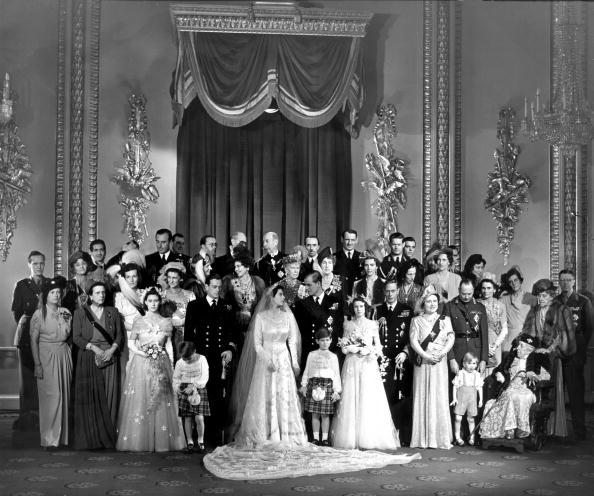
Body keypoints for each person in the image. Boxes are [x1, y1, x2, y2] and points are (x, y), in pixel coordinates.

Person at [229, 286, 306, 446]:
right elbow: (257, 344)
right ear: (271, 297)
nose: (283, 298)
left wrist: (294, 362)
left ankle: (286, 434)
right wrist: (267, 360)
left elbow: (292, 340)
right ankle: (267, 433)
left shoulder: (288, 317)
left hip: (283, 359)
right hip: (266, 361)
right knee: (266, 394)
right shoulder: (261, 317)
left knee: (283, 395)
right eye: (280, 294)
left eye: (284, 295)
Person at [116, 288, 185, 452]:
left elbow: (168, 346)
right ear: (145, 302)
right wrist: (142, 353)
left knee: (161, 398)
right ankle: (140, 439)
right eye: (150, 301)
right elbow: (131, 343)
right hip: (141, 363)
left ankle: (161, 440)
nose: (153, 304)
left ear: (159, 302)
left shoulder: (166, 321)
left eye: (156, 301)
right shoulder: (139, 321)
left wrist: (171, 364)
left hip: (162, 362)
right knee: (142, 398)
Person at [331, 297, 399, 450]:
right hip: (352, 364)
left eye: (361, 306)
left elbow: (379, 346)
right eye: (356, 306)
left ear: (366, 307)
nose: (359, 309)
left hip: (367, 364)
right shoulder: (347, 324)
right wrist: (350, 349)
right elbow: (343, 346)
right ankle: (350, 437)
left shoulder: (373, 324)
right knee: (352, 397)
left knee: (368, 397)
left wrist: (369, 350)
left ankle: (368, 436)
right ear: (352, 308)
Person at [184, 274, 236, 445]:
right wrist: (191, 357)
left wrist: (229, 348)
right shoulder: (195, 306)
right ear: (206, 287)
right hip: (201, 357)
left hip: (220, 359)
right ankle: (201, 438)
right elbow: (189, 334)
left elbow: (231, 332)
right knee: (201, 394)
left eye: (219, 287)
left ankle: (216, 436)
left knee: (218, 396)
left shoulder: (227, 306)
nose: (217, 290)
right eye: (214, 286)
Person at [72, 282, 124, 449]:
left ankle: (107, 437)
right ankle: (92, 438)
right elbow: (77, 337)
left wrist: (112, 350)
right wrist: (94, 348)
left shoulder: (112, 312)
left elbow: (119, 335)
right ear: (90, 295)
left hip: (110, 356)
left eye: (103, 292)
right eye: (97, 292)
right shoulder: (80, 313)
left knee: (110, 395)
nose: (101, 295)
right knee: (90, 397)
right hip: (88, 356)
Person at [523, 278, 575, 437]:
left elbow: (564, 335)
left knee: (553, 391)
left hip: (553, 357)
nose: (541, 299)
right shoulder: (534, 310)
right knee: (537, 390)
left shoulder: (561, 310)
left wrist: (550, 350)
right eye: (539, 296)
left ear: (552, 296)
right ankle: (539, 428)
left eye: (544, 295)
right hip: (537, 357)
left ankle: (554, 429)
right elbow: (529, 333)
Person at [480, 333, 550, 440]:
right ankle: (508, 430)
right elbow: (499, 370)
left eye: (521, 346)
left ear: (529, 349)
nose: (517, 348)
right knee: (501, 399)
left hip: (526, 389)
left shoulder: (536, 360)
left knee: (521, 397)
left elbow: (547, 376)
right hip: (509, 388)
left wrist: (535, 376)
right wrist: (499, 374)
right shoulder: (511, 357)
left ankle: (520, 430)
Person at [409, 287, 455, 449]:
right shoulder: (416, 320)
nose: (432, 303)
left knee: (439, 395)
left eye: (435, 301)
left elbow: (451, 337)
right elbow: (413, 341)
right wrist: (426, 355)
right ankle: (422, 438)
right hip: (423, 362)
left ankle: (439, 438)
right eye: (428, 301)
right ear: (423, 303)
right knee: (422, 395)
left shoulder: (445, 319)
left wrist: (442, 352)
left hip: (439, 362)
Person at [29, 277, 72, 449]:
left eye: (58, 293)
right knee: (51, 397)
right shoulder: (39, 314)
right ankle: (48, 439)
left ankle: (62, 439)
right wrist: (37, 364)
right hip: (46, 356)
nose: (56, 295)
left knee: (64, 396)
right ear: (45, 295)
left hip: (63, 355)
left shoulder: (66, 311)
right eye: (52, 292)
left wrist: (62, 318)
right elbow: (33, 341)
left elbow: (66, 335)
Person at [11, 250, 49, 430]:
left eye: (41, 263)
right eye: (35, 263)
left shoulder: (50, 283)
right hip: (26, 336)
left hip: (47, 337)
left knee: (45, 377)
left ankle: (44, 418)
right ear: (29, 265)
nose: (39, 266)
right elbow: (17, 313)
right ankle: (27, 418)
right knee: (27, 379)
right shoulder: (22, 285)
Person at [555, 269, 593, 440]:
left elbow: (589, 328)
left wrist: (579, 347)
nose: (565, 283)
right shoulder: (554, 301)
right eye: (562, 280)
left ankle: (579, 430)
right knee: (556, 392)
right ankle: (556, 430)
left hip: (575, 352)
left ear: (574, 281)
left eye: (568, 280)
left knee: (576, 393)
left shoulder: (583, 301)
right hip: (557, 352)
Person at [375, 280, 414, 446]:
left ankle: (401, 435)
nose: (390, 294)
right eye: (387, 291)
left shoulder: (407, 310)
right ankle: (385, 434)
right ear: (384, 291)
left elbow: (411, 336)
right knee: (385, 397)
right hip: (383, 361)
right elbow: (373, 335)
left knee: (401, 397)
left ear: (397, 291)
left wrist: (406, 352)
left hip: (401, 361)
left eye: (393, 291)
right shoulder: (377, 310)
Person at [294, 271, 345, 369]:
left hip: (330, 352)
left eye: (309, 285)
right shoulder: (302, 304)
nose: (306, 288)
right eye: (305, 285)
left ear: (318, 283)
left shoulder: (334, 301)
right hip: (310, 353)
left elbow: (339, 327)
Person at [300, 327, 341, 446]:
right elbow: (307, 371)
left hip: (327, 385)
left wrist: (336, 391)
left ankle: (325, 438)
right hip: (314, 385)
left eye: (327, 340)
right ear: (317, 341)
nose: (325, 343)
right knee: (315, 414)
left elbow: (336, 375)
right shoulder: (312, 354)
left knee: (325, 414)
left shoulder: (333, 356)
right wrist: (304, 385)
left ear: (331, 340)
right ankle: (316, 438)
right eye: (322, 340)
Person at [446, 279, 489, 376]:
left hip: (475, 352)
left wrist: (483, 360)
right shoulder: (450, 306)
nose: (466, 297)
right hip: (457, 352)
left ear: (473, 290)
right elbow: (446, 335)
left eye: (469, 294)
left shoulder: (480, 307)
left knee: (474, 386)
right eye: (463, 293)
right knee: (455, 385)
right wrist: (451, 358)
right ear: (458, 290)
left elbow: (484, 335)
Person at [173, 341, 210, 453]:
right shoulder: (180, 362)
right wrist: (177, 387)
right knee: (187, 418)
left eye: (189, 358)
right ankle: (189, 442)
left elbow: (204, 376)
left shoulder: (202, 359)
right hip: (185, 389)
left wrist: (194, 385)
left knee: (199, 417)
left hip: (198, 388)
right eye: (185, 359)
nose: (187, 361)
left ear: (194, 351)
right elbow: (176, 378)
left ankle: (200, 440)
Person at [221, 252, 266, 339]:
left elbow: (264, 303)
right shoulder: (230, 282)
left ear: (247, 267)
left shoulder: (258, 282)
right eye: (235, 267)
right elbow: (223, 302)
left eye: (239, 266)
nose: (236, 269)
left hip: (255, 325)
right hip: (236, 327)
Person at [161, 263, 196, 363]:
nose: (171, 281)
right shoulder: (162, 295)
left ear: (180, 278)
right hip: (167, 336)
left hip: (185, 334)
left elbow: (194, 316)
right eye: (169, 277)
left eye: (174, 278)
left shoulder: (189, 294)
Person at [499, 266, 536, 354]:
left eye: (516, 280)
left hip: (527, 340)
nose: (514, 283)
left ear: (520, 280)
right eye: (510, 282)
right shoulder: (504, 299)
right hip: (510, 341)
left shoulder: (531, 298)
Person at [450, 352, 483, 446]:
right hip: (461, 399)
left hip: (472, 400)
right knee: (458, 418)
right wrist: (454, 399)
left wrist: (480, 400)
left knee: (471, 419)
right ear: (464, 364)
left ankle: (472, 437)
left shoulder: (477, 375)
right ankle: (457, 437)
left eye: (474, 363)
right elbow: (455, 386)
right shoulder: (460, 373)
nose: (472, 366)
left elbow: (479, 387)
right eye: (469, 363)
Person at [479, 275, 508, 375]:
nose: (486, 291)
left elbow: (504, 329)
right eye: (483, 288)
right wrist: (485, 347)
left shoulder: (500, 305)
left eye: (489, 288)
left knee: (494, 375)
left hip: (495, 343)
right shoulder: (475, 304)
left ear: (494, 290)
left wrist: (494, 346)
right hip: (480, 342)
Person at [334, 228, 362, 294]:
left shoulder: (362, 257)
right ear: (342, 239)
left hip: (357, 295)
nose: (350, 243)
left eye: (352, 240)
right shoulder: (334, 257)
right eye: (347, 240)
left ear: (356, 240)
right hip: (340, 294)